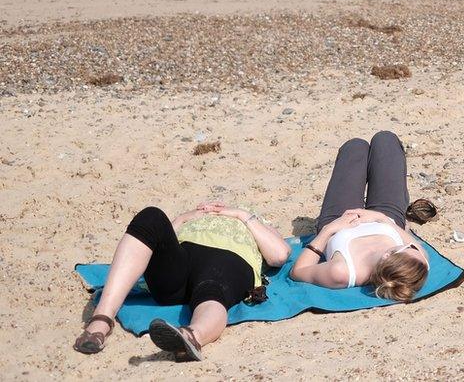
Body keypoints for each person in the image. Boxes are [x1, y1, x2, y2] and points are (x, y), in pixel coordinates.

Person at [73, 202, 291, 360]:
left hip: (228, 259)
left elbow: (280, 254)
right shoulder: (190, 220)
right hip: (179, 264)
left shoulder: (250, 220)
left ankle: (191, 336)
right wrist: (184, 218)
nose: (215, 208)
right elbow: (149, 243)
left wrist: (241, 215)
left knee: (212, 289)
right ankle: (101, 321)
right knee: (152, 216)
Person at [290, 131, 435, 302]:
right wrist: (381, 218)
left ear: (387, 256)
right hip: (386, 217)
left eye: (409, 248)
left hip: (339, 219)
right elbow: (419, 248)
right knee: (385, 140)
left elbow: (298, 271)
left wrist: (329, 230)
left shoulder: (343, 272)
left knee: (355, 147)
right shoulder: (418, 265)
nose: (414, 246)